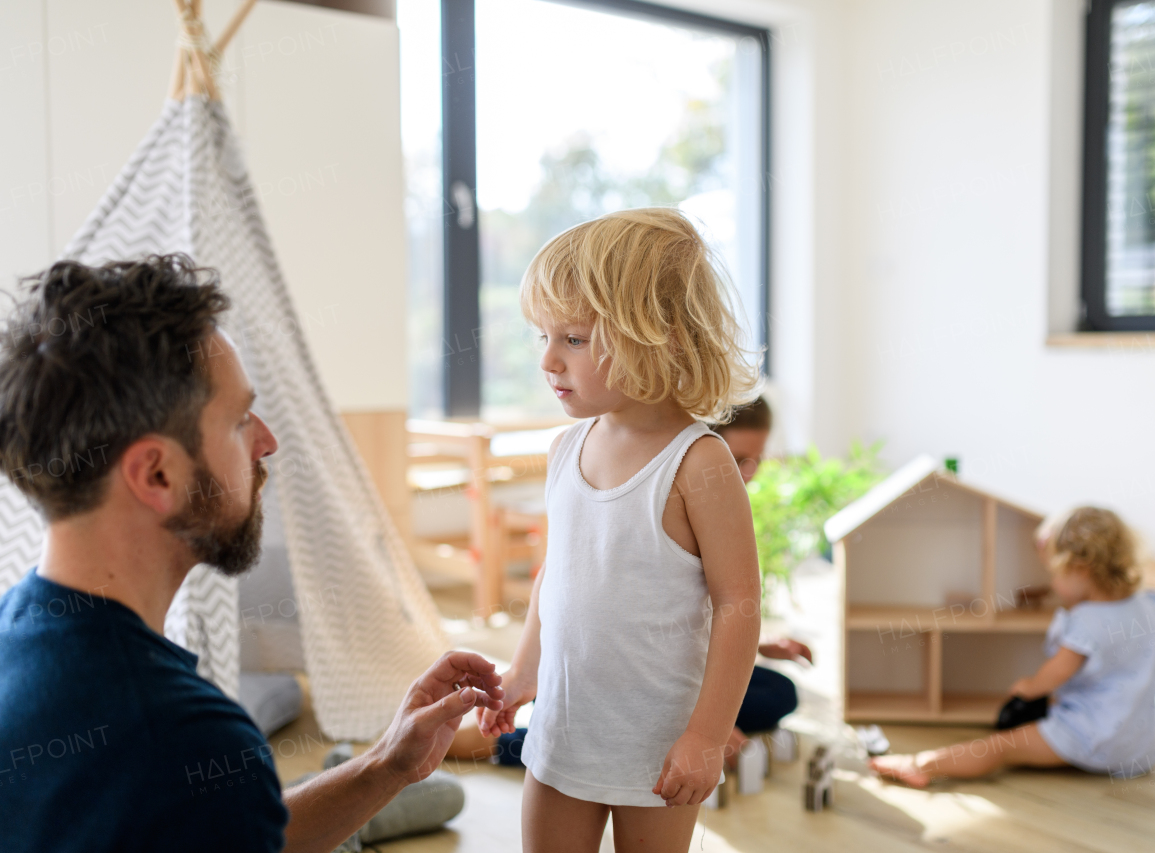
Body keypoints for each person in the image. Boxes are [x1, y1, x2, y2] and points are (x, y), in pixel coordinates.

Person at [0, 256, 504, 852]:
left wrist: (386, 765)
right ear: (156, 473)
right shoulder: (186, 738)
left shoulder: (20, 632)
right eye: (240, 419)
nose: (267, 441)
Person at [477, 208, 762, 853]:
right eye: (542, 335)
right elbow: (558, 570)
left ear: (655, 336)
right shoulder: (564, 448)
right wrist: (524, 671)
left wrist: (707, 738)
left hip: (657, 740)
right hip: (564, 723)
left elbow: (739, 607)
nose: (548, 359)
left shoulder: (700, 461)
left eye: (574, 339)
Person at [868, 506, 1155, 788]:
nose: (1052, 584)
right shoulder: (1148, 610)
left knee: (1000, 747)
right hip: (1140, 749)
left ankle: (921, 765)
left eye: (1054, 573)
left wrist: (1028, 687)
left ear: (1082, 570)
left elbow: (1054, 675)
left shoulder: (1086, 623)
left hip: (1089, 737)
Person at [711, 397, 812, 764]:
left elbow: (708, 616)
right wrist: (708, 727)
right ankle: (523, 744)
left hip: (688, 659)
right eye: (738, 461)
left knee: (779, 691)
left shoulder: (728, 506)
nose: (749, 473)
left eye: (757, 460)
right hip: (651, 672)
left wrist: (760, 643)